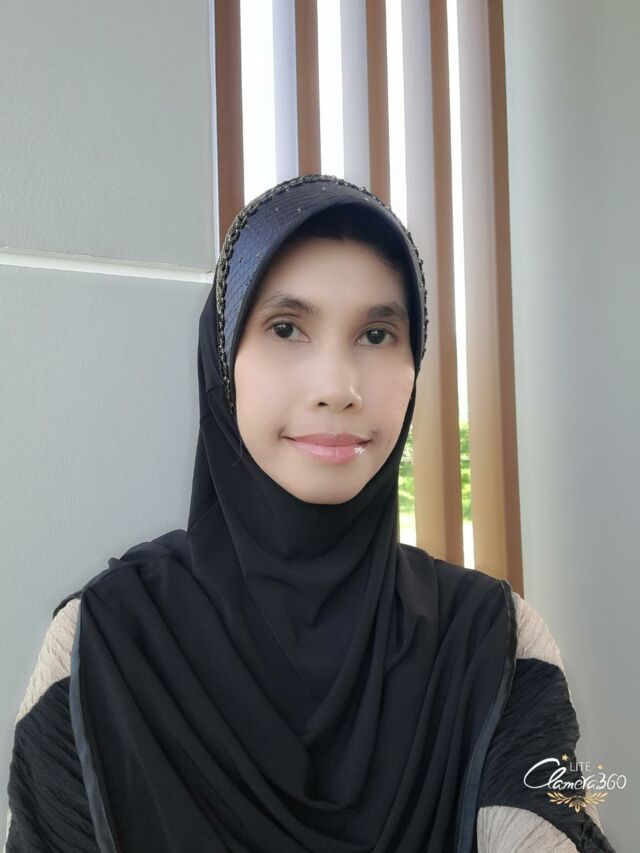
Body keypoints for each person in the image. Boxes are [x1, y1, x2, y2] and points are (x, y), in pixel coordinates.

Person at [4, 174, 615, 852]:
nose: (337, 387)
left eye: (377, 334)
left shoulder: (495, 642)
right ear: (224, 360)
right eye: (287, 327)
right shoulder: (103, 643)